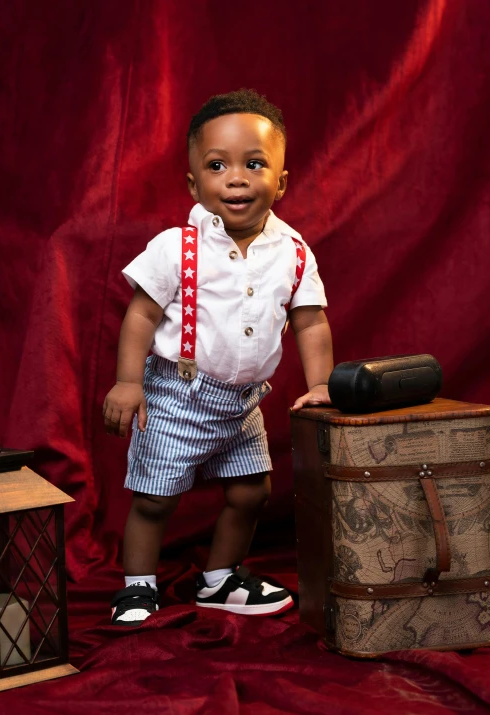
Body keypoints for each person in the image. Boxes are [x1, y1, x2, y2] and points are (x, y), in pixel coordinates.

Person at [103, 89, 333, 626]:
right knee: (155, 498)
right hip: (175, 397)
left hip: (242, 403)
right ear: (194, 182)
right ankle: (138, 585)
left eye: (255, 164)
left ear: (280, 180)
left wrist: (321, 385)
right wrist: (127, 382)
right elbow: (140, 315)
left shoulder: (294, 251)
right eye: (217, 165)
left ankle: (220, 578)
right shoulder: (175, 246)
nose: (236, 178)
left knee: (252, 491)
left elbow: (311, 321)